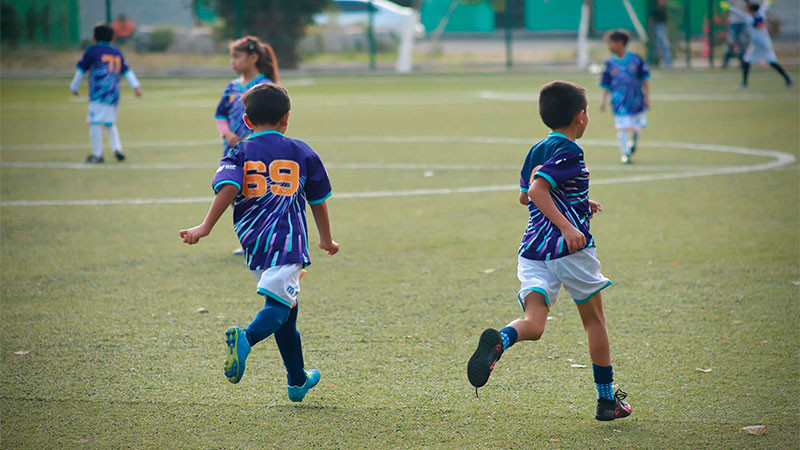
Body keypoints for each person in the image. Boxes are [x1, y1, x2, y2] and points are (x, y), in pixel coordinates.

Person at [466, 80, 632, 422]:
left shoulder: (535, 149)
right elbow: (539, 190)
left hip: (532, 251)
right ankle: (606, 401)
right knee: (594, 322)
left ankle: (502, 339)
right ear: (581, 117)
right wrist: (569, 226)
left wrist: (579, 202)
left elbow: (526, 196)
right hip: (568, 250)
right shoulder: (572, 151)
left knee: (535, 323)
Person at [180, 83, 339, 402]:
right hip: (289, 242)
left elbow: (226, 189)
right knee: (280, 306)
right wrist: (325, 238)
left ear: (247, 122)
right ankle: (246, 338)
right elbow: (317, 200)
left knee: (287, 313)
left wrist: (205, 227)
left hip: (254, 245)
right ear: (286, 118)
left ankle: (297, 380)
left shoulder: (237, 152)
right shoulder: (302, 151)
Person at [70, 23, 141, 164]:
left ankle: (97, 155)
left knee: (94, 123)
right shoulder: (116, 51)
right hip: (113, 93)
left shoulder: (92, 51)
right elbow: (127, 70)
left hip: (98, 93)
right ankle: (117, 150)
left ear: (94, 37)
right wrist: (136, 86)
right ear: (112, 38)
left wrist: (74, 87)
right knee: (109, 123)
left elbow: (81, 69)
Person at [215, 36, 279, 157]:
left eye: (237, 57)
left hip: (258, 150)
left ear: (253, 58)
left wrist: (251, 138)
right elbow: (220, 114)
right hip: (232, 150)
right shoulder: (231, 87)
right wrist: (228, 135)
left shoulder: (265, 86)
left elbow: (272, 119)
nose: (232, 62)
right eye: (232, 57)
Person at [599, 29, 650, 165]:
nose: (609, 47)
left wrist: (647, 96)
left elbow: (644, 78)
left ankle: (634, 140)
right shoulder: (609, 63)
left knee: (635, 127)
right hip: (618, 101)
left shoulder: (636, 59)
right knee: (621, 127)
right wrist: (603, 101)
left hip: (636, 99)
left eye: (610, 43)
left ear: (620, 43)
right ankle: (625, 153)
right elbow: (606, 83)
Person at [721, 0, 792, 87]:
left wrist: (728, 7)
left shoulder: (749, 17)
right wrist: (768, 2)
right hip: (764, 43)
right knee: (769, 62)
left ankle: (744, 83)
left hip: (758, 44)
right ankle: (787, 78)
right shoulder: (761, 14)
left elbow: (738, 12)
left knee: (749, 61)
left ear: (751, 10)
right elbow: (764, 7)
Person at [722, 0, 749, 69]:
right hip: (733, 23)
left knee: (742, 43)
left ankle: (743, 62)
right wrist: (726, 20)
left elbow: (750, 8)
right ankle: (725, 62)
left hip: (743, 23)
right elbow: (726, 10)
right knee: (730, 42)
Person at [652, 0, 672, 68]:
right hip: (657, 27)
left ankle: (667, 63)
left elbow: (666, 19)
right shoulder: (655, 8)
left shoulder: (664, 8)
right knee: (658, 46)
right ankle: (656, 62)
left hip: (662, 27)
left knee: (665, 45)